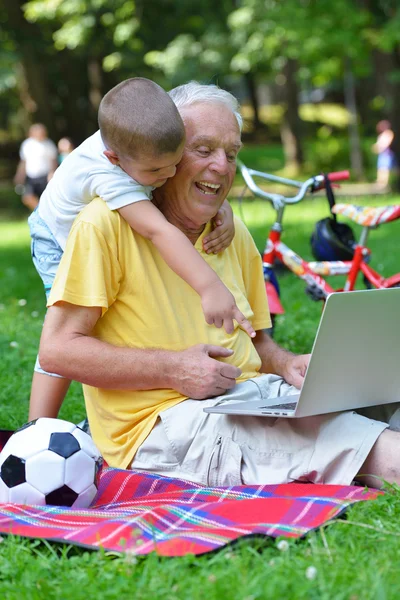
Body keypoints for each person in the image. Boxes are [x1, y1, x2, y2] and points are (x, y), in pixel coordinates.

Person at [38, 81, 400, 490]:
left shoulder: (231, 232)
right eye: (204, 149)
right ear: (169, 156)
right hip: (165, 425)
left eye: (231, 154)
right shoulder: (104, 225)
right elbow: (57, 350)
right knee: (371, 450)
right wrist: (173, 369)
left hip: (257, 397)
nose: (222, 166)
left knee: (386, 398)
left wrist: (286, 364)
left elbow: (256, 343)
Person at [28, 77, 254, 423]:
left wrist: (220, 205)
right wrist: (210, 286)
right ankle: (37, 427)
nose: (168, 175)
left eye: (175, 163)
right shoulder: (110, 176)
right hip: (54, 234)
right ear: (114, 158)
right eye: (156, 171)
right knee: (69, 329)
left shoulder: (139, 143)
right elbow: (159, 230)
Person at [14, 123, 58, 211]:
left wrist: (52, 173)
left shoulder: (48, 144)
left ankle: (44, 213)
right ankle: (40, 211)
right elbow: (23, 162)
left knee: (47, 198)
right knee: (27, 197)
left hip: (45, 176)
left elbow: (53, 161)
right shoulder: (27, 144)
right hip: (31, 177)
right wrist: (19, 175)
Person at [372, 120, 398, 188]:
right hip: (383, 154)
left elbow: (384, 144)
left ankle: (383, 183)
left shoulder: (388, 133)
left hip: (387, 154)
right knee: (382, 168)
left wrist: (378, 148)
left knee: (385, 168)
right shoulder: (382, 134)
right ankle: (381, 182)